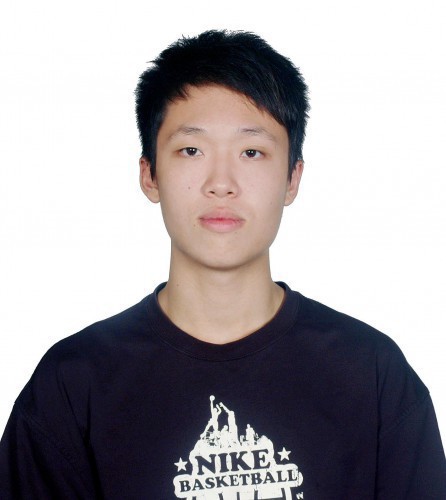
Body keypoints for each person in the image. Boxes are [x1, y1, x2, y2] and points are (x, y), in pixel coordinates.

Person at [0, 29, 445, 499]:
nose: (221, 183)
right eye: (191, 150)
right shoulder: (72, 385)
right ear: (150, 175)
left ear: (292, 179)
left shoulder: (372, 375)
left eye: (252, 152)